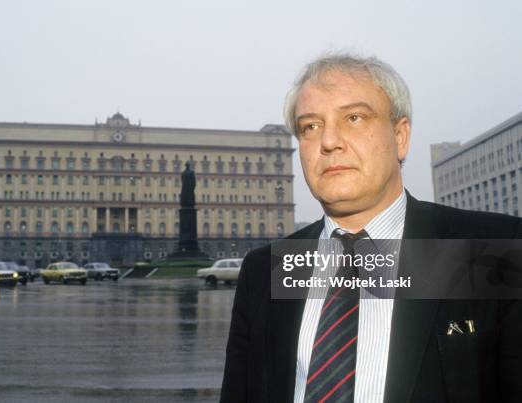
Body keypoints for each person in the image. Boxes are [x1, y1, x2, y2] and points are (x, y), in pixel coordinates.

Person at [220, 53, 522, 402]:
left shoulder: (496, 250)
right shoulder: (266, 270)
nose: (329, 141)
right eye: (310, 126)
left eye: (354, 117)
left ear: (400, 136)